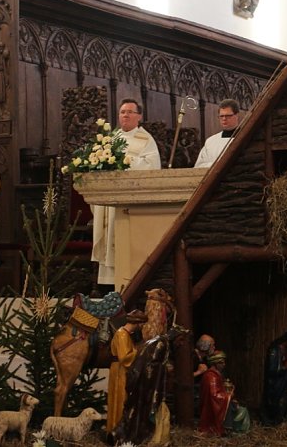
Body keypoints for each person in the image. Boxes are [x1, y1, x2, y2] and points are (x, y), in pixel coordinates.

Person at [91, 99, 161, 286]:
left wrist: (126, 162)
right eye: (122, 112)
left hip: (130, 203)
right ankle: (107, 285)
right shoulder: (110, 139)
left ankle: (128, 282)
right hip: (110, 201)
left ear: (139, 116)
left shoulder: (146, 140)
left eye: (130, 112)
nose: (125, 115)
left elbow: (152, 167)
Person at [106, 309, 148, 435]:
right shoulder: (122, 335)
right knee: (120, 399)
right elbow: (124, 357)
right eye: (142, 324)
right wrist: (138, 350)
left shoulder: (125, 334)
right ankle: (117, 430)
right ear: (138, 323)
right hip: (120, 370)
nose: (142, 327)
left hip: (120, 369)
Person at [199, 351, 251, 436]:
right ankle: (232, 430)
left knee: (242, 409)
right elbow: (215, 396)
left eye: (224, 362)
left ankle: (238, 431)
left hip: (222, 406)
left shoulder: (216, 375)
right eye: (221, 362)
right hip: (215, 411)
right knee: (243, 412)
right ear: (215, 363)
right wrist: (229, 396)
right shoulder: (211, 377)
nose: (224, 364)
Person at [194, 99, 240, 168]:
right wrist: (218, 165)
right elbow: (199, 166)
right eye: (221, 116)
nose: (224, 119)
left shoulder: (245, 136)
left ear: (236, 116)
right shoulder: (210, 141)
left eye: (228, 116)